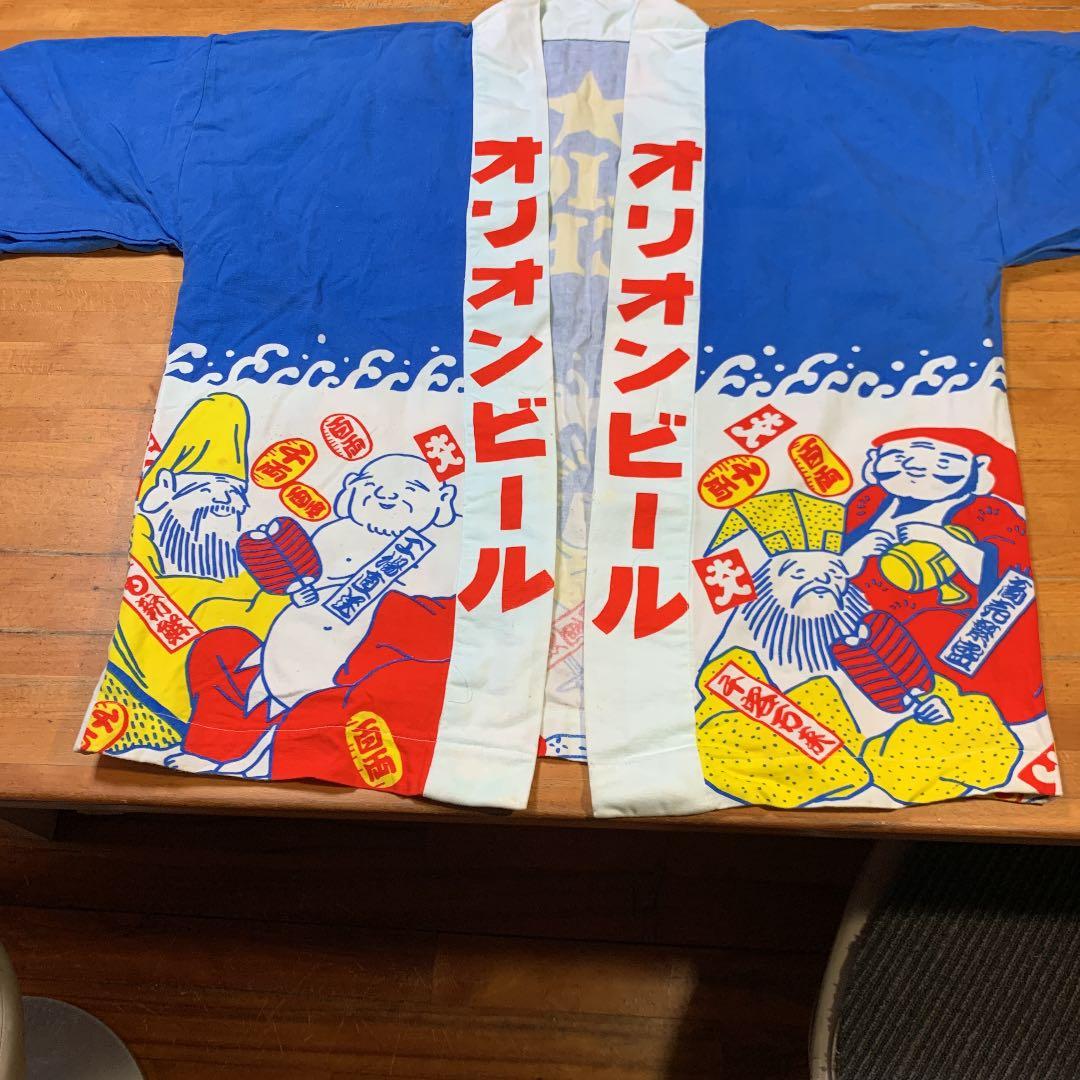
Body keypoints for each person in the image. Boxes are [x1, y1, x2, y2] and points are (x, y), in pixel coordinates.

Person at [169, 453, 460, 783]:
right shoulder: (336, 534)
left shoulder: (443, 550)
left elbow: (430, 624)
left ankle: (266, 760)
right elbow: (307, 577)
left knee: (328, 708)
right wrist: (303, 593)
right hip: (279, 655)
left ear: (443, 500)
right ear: (351, 488)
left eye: (410, 489)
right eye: (371, 485)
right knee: (221, 647)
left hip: (346, 672)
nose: (386, 495)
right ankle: (211, 749)